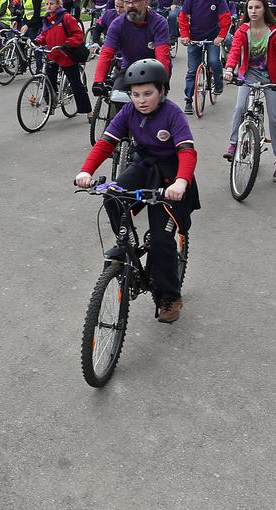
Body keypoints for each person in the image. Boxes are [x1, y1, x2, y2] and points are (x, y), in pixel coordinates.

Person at [74, 59, 198, 323]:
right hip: (143, 166)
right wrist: (86, 171)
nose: (141, 100)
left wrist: (181, 183)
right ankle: (127, 242)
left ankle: (169, 297)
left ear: (161, 91)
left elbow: (187, 151)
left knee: (161, 240)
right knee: (112, 195)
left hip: (170, 175)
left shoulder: (173, 114)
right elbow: (106, 142)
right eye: (135, 94)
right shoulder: (128, 112)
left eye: (148, 93)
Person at [222, 0, 276, 181]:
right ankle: (233, 143)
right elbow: (235, 51)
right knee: (240, 108)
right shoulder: (242, 30)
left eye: (257, 8)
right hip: (249, 75)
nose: (253, 11)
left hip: (272, 77)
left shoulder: (275, 31)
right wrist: (229, 69)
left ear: (265, 9)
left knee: (275, 118)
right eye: (250, 8)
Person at [92, 0, 172, 93]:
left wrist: (162, 82)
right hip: (129, 68)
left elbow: (162, 56)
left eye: (135, 1)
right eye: (127, 1)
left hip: (155, 68)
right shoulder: (117, 24)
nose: (130, 5)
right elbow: (107, 52)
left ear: (146, 2)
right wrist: (98, 81)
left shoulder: (159, 23)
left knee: (153, 101)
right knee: (116, 97)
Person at [178, 0, 231, 112]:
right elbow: (183, 17)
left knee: (214, 61)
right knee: (192, 71)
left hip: (212, 38)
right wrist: (184, 35)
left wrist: (221, 36)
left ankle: (218, 84)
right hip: (194, 38)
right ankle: (188, 100)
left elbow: (226, 18)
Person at [35, 0, 93, 118]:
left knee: (76, 84)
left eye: (52, 4)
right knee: (49, 81)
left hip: (66, 55)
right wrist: (37, 41)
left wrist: (68, 43)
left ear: (58, 4)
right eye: (47, 4)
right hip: (53, 54)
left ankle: (89, 112)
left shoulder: (66, 17)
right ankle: (51, 103)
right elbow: (44, 34)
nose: (49, 6)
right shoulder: (47, 19)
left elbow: (78, 34)